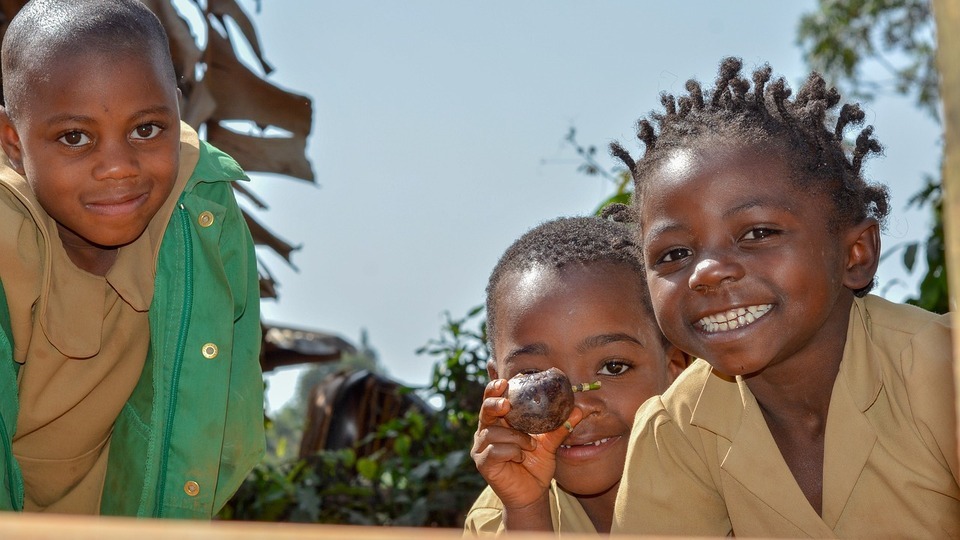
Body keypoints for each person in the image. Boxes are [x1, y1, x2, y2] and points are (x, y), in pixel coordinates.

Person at [609, 57, 960, 537]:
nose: (706, 272)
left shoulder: (942, 373)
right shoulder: (676, 432)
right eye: (674, 254)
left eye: (757, 233)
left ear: (855, 254)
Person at [0, 0, 264, 518]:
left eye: (146, 129)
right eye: (75, 137)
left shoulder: (200, 212)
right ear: (13, 142)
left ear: (177, 111)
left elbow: (223, 410)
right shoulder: (9, 241)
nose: (119, 168)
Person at [464, 216, 689, 535]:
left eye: (613, 367)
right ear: (497, 387)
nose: (576, 406)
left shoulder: (726, 472)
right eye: (533, 376)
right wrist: (526, 509)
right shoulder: (494, 520)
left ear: (676, 366)